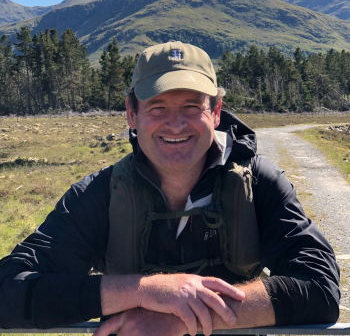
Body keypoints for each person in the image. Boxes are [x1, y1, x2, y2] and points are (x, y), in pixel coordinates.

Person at [0, 41, 340, 336]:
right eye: (157, 107)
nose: (175, 124)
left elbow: (320, 287)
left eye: (191, 107)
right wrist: (146, 291)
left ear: (216, 112)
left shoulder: (259, 185)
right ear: (131, 115)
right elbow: (7, 290)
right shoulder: (97, 195)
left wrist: (183, 317)